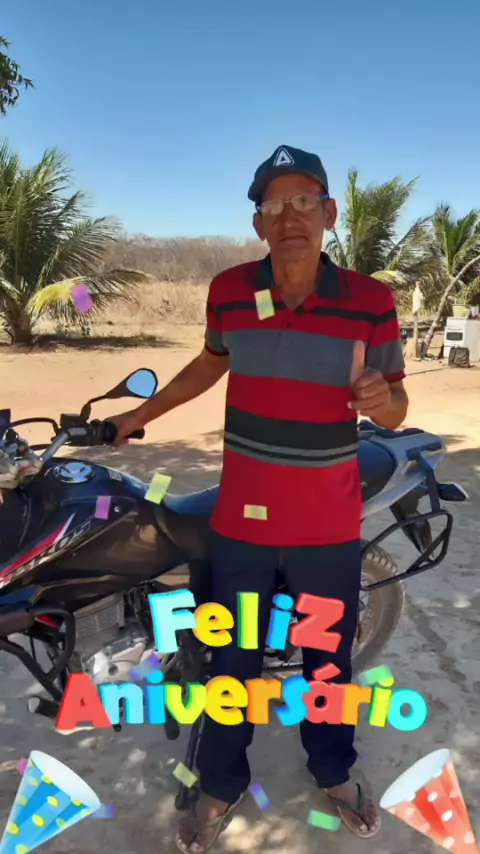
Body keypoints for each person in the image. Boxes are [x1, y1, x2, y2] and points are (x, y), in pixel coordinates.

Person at [111, 145, 408, 852]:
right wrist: (137, 417)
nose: (289, 216)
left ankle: (333, 769)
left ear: (329, 213)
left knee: (326, 659)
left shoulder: (371, 300)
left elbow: (397, 408)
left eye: (304, 201)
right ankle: (221, 780)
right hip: (241, 522)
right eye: (274, 205)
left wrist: (381, 401)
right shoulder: (229, 291)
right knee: (233, 658)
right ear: (257, 223)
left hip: (326, 524)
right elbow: (209, 364)